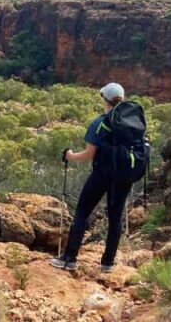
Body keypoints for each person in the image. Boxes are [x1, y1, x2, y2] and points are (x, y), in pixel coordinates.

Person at [50, 82, 132, 274]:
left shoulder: (99, 123)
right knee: (115, 218)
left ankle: (69, 258)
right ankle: (108, 263)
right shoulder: (133, 122)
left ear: (105, 99)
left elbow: (88, 154)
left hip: (101, 175)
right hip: (123, 177)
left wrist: (69, 156)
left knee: (82, 213)